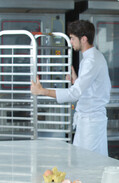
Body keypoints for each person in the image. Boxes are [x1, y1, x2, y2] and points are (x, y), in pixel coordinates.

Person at [31, 20, 111, 156]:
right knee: (85, 161)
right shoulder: (92, 57)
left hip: (91, 123)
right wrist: (76, 81)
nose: (71, 42)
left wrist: (42, 91)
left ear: (84, 39)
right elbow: (91, 88)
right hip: (87, 121)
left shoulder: (91, 60)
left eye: (73, 38)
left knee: (88, 163)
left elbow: (74, 94)